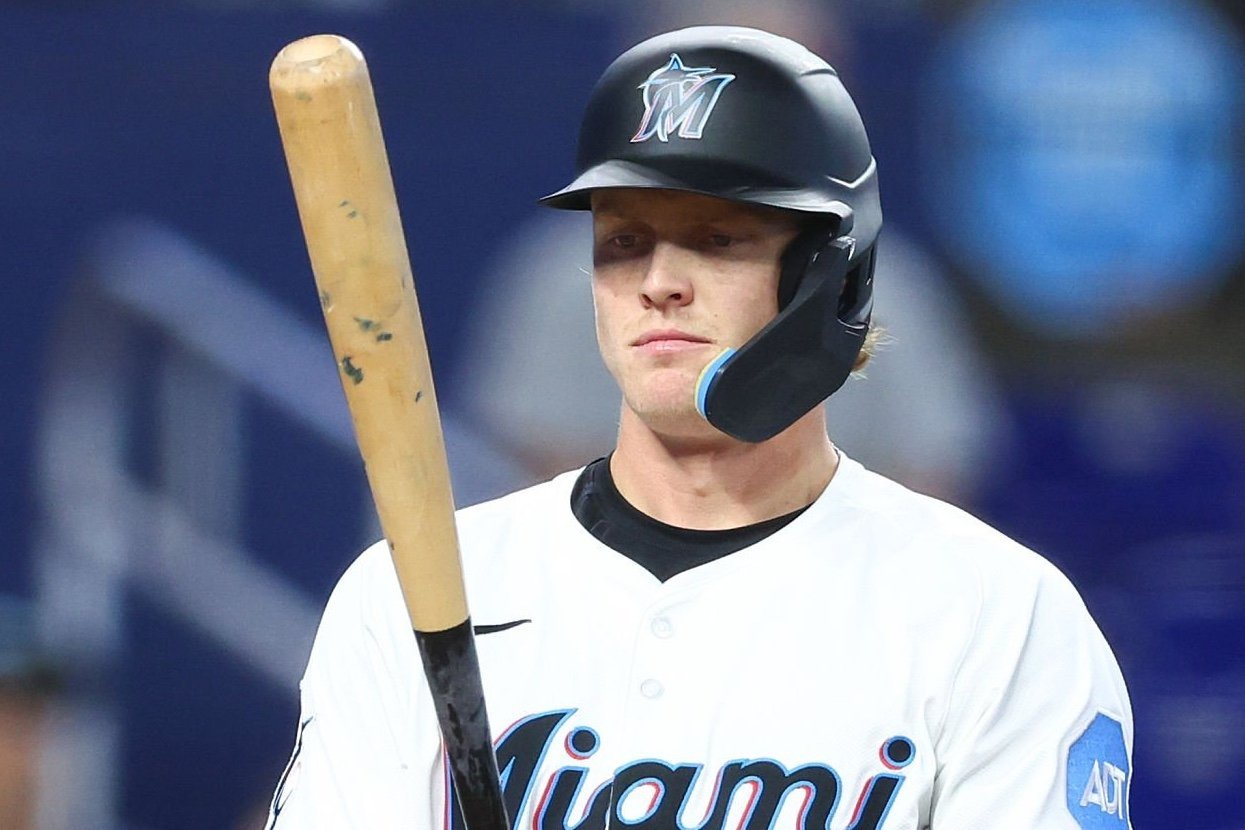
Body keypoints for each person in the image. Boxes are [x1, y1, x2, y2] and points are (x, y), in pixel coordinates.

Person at [267, 26, 1133, 829]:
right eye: (624, 241)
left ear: (830, 276)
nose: (658, 282)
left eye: (717, 239)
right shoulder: (413, 596)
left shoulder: (990, 614)